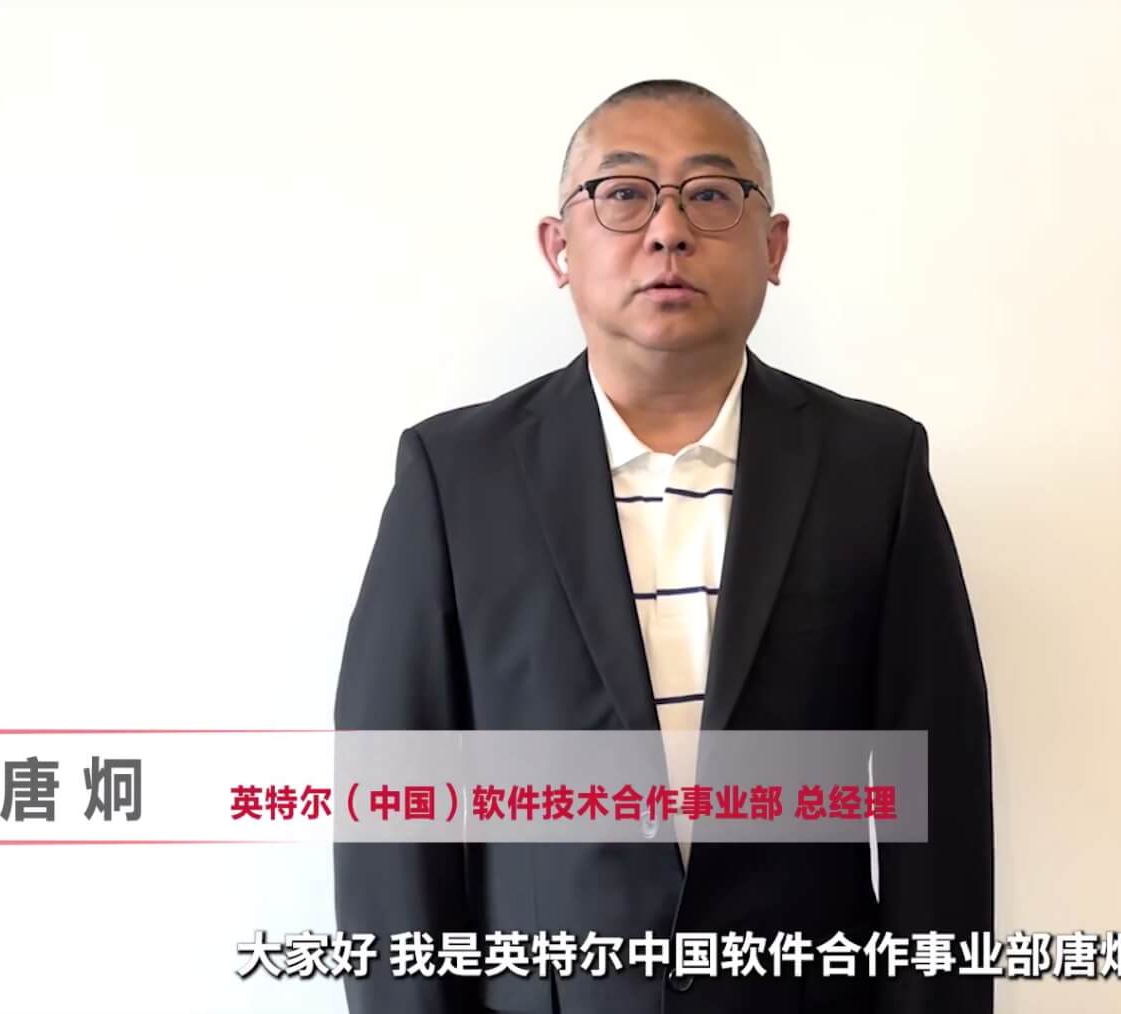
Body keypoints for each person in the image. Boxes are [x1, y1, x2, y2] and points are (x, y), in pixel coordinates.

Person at [334, 79, 993, 1014]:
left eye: (711, 194)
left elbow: (940, 803)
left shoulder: (872, 467)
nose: (667, 230)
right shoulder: (456, 475)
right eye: (623, 193)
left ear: (773, 247)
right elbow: (394, 809)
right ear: (559, 247)